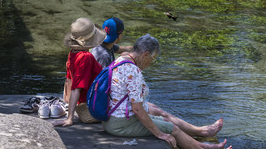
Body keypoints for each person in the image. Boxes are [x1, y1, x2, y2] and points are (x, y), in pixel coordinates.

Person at [91, 17, 224, 138]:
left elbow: (122, 49)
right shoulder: (103, 56)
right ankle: (199, 132)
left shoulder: (103, 46)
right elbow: (106, 86)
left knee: (155, 108)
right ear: (119, 36)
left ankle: (197, 131)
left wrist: (140, 48)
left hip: (107, 100)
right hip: (103, 104)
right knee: (157, 111)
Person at [103, 34, 232, 149]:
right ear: (145, 55)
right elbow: (137, 109)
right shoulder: (133, 71)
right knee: (172, 129)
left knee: (164, 120)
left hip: (111, 117)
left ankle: (205, 145)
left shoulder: (121, 59)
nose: (150, 63)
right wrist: (159, 134)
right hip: (121, 124)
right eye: (152, 59)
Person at [53, 17, 106, 127]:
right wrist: (69, 118)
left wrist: (67, 103)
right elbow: (76, 87)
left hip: (84, 102)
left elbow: (68, 80)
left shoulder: (72, 53)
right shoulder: (86, 57)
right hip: (92, 104)